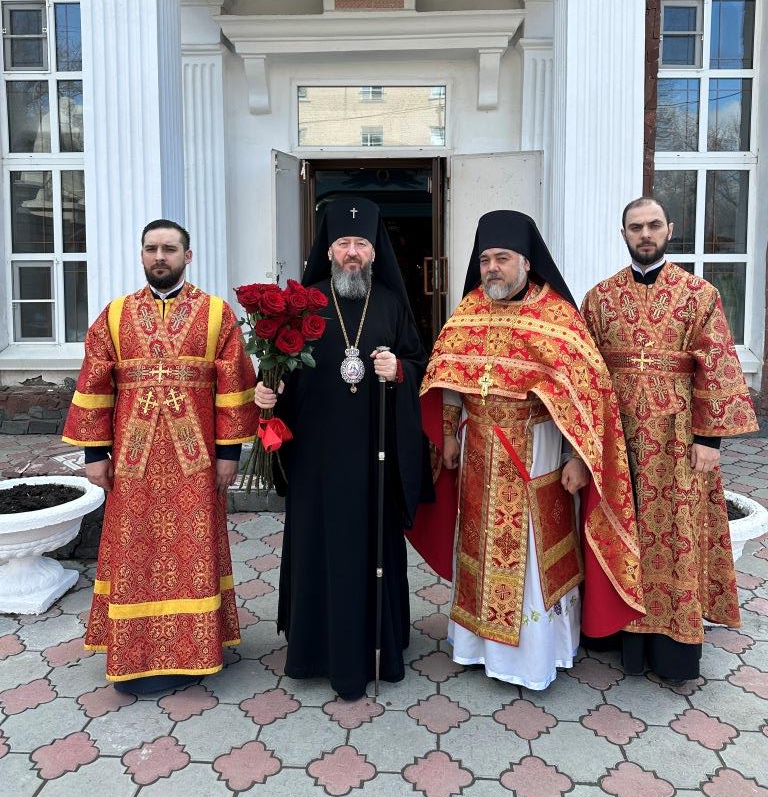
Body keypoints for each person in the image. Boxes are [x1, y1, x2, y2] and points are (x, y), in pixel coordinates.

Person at [410, 210, 644, 690]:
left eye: (502, 258)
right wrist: (449, 433)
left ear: (526, 261)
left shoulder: (557, 316)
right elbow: (449, 379)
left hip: (537, 449)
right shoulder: (470, 310)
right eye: (485, 260)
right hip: (478, 451)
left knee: (535, 553)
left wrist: (577, 459)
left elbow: (586, 397)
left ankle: (535, 658)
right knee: (476, 543)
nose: (492, 268)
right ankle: (476, 647)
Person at [62, 219, 259, 693]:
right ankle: (136, 655)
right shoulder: (115, 315)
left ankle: (196, 652)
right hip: (133, 463)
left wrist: (228, 453)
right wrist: (95, 452)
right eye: (151, 248)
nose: (159, 256)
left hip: (196, 460)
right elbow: (94, 383)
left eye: (169, 249)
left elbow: (233, 386)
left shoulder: (216, 314)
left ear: (187, 256)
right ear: (142, 255)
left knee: (193, 553)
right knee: (134, 552)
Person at [255, 197, 431, 701]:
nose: (352, 252)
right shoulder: (302, 303)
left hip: (375, 452)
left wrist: (399, 370)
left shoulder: (392, 304)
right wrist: (266, 393)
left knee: (373, 542)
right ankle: (314, 649)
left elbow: (419, 363)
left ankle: (380, 644)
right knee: (318, 542)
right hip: (315, 456)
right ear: (328, 249)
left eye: (361, 244)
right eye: (343, 243)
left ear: (374, 252)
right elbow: (276, 369)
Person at [581, 196, 758, 681]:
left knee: (675, 536)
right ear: (623, 234)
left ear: (669, 229)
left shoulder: (699, 294)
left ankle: (672, 649)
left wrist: (709, 441)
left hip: (677, 441)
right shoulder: (599, 297)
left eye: (653, 225)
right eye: (636, 227)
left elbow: (718, 365)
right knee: (618, 528)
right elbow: (584, 372)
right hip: (617, 439)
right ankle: (615, 634)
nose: (645, 234)